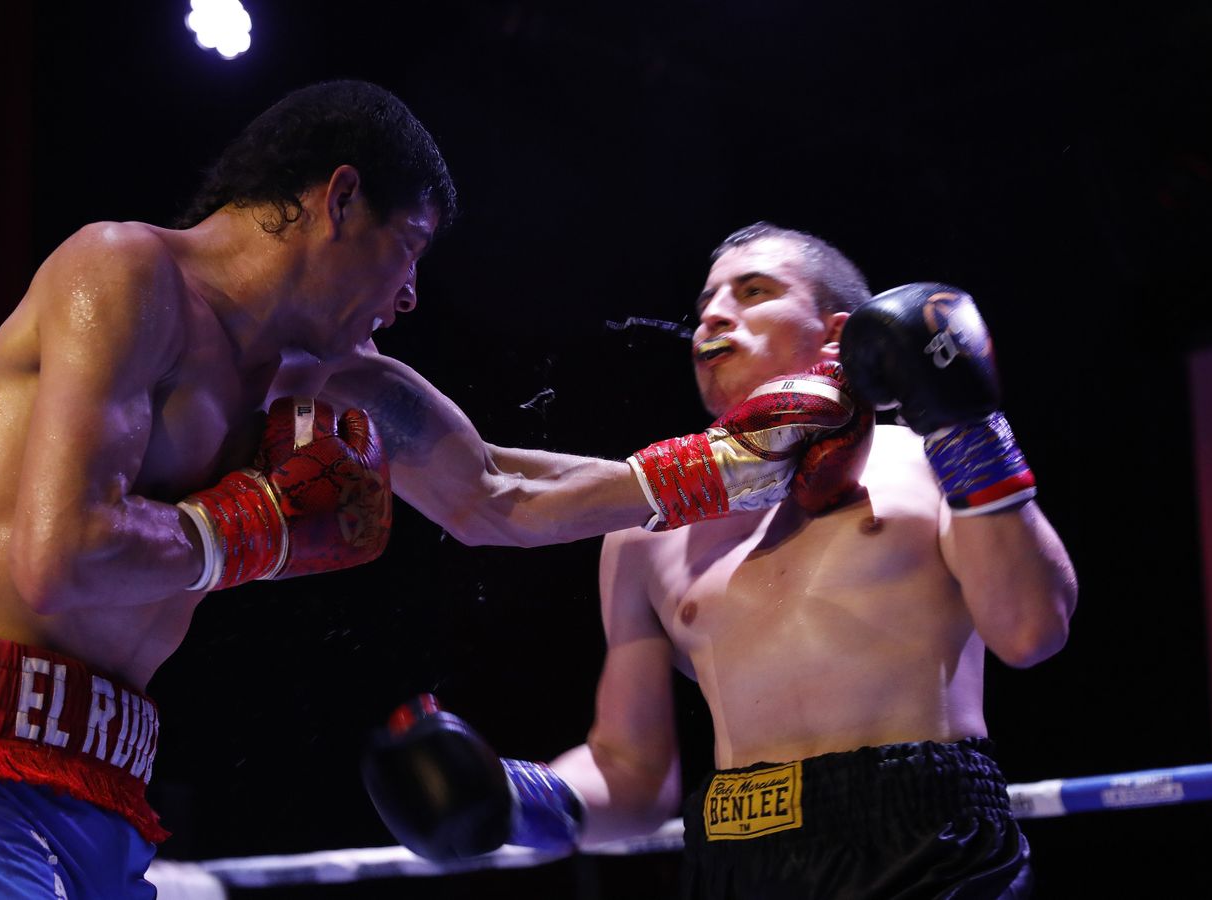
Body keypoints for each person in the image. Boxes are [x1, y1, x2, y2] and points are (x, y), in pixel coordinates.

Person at [0, 76, 861, 898]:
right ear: (339, 198)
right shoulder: (123, 273)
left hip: (105, 773)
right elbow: (58, 561)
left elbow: (496, 492)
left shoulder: (328, 379)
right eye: (405, 253)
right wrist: (260, 524)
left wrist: (727, 470)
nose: (408, 296)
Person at [362, 222, 1079, 899]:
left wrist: (966, 423)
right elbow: (631, 770)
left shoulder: (928, 459)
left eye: (753, 291)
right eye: (705, 301)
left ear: (838, 332)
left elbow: (1029, 630)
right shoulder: (645, 534)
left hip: (925, 841)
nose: (712, 315)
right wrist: (511, 800)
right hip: (738, 853)